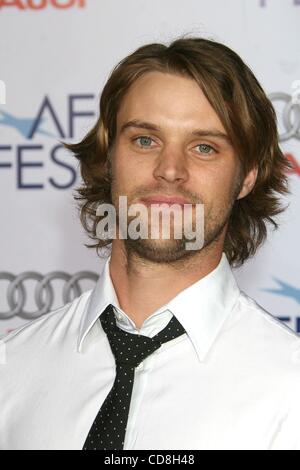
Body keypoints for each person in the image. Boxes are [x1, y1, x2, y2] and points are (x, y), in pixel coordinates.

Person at [1, 35, 299, 451]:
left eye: (204, 147)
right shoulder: (11, 367)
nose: (170, 170)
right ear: (108, 157)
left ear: (247, 176)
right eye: (145, 140)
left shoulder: (291, 389)